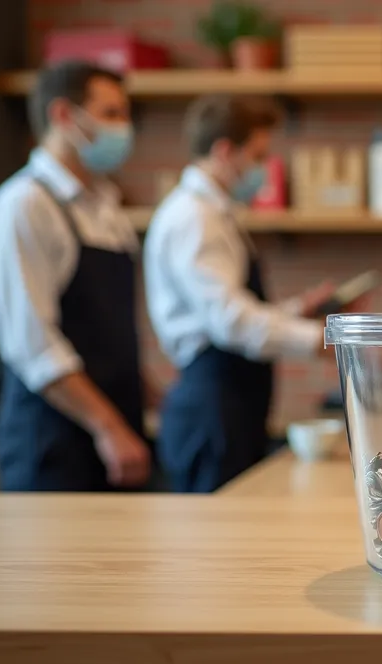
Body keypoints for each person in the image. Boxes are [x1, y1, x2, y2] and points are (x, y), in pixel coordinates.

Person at [144, 94, 345, 493]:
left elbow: (233, 308)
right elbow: (231, 321)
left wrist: (297, 310)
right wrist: (322, 339)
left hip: (230, 401)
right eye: (258, 156)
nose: (263, 169)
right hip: (211, 408)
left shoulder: (216, 214)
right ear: (224, 151)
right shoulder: (193, 218)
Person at [0, 60, 152, 491]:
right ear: (62, 115)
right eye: (110, 113)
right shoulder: (25, 206)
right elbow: (32, 344)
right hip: (52, 445)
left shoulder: (107, 209)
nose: (123, 128)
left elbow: (107, 333)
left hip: (113, 437)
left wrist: (150, 393)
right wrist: (108, 426)